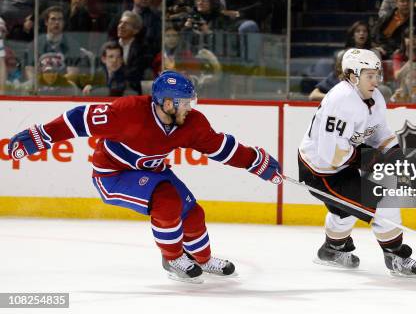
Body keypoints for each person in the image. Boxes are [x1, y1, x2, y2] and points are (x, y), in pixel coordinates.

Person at [8, 70, 283, 283]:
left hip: (153, 171)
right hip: (113, 176)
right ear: (165, 102)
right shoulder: (127, 112)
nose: (189, 107)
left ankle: (203, 258)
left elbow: (220, 147)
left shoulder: (191, 123)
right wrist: (40, 137)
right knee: (167, 201)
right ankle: (173, 258)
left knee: (194, 213)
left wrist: (255, 162)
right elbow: (78, 119)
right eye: (184, 102)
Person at [297, 48, 416, 277]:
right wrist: (371, 159)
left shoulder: (374, 96)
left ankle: (332, 250)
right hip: (319, 171)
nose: (376, 81)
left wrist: (395, 155)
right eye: (370, 75)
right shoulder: (341, 101)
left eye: (377, 74)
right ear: (352, 75)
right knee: (383, 202)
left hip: (340, 167)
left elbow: (379, 132)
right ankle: (396, 255)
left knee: (345, 211)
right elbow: (331, 154)